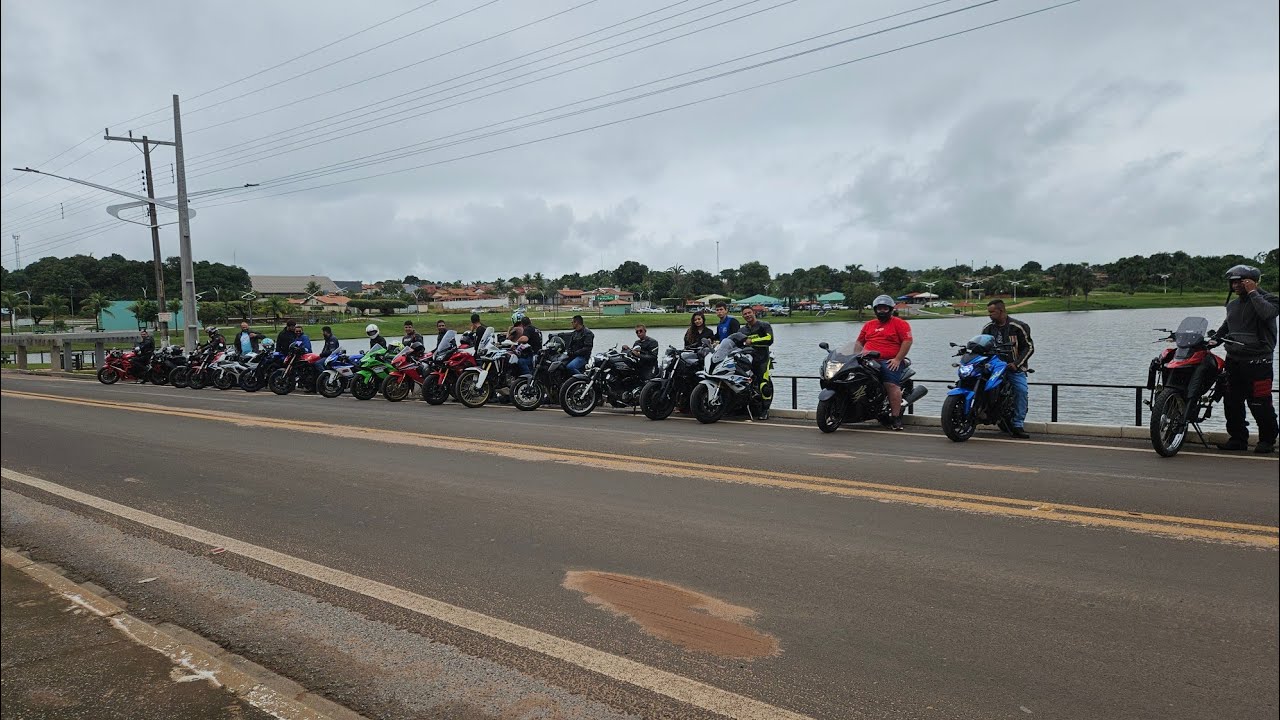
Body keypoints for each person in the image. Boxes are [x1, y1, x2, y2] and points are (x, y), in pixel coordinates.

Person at [1215, 265, 1278, 453]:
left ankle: (1267, 440)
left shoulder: (1269, 300)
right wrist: (1213, 340)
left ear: (1250, 281)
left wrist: (1253, 292)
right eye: (1232, 282)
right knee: (1232, 401)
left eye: (1239, 281)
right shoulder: (1233, 305)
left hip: (1259, 361)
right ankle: (1237, 439)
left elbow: (1267, 313)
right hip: (1234, 359)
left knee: (1260, 402)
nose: (1235, 285)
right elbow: (1227, 327)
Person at [853, 295, 913, 430]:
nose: (881, 311)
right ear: (875, 310)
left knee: (891, 385)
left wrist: (897, 359)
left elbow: (907, 341)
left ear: (890, 309)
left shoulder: (900, 323)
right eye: (879, 309)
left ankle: (896, 417)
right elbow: (859, 342)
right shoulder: (869, 324)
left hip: (889, 360)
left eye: (884, 308)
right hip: (868, 360)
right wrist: (856, 356)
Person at [982, 299, 1034, 439]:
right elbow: (981, 345)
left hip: (1012, 368)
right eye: (989, 312)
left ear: (1001, 311)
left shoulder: (1018, 327)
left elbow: (1029, 347)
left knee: (1021, 390)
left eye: (992, 312)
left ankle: (1018, 424)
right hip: (993, 366)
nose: (990, 315)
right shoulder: (988, 328)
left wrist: (1016, 364)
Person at [740, 306, 774, 418]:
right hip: (747, 360)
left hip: (762, 359)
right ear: (742, 316)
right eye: (745, 314)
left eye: (749, 313)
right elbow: (735, 341)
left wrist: (752, 341)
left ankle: (765, 409)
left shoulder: (764, 325)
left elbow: (770, 339)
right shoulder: (742, 330)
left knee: (764, 384)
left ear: (754, 313)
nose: (747, 315)